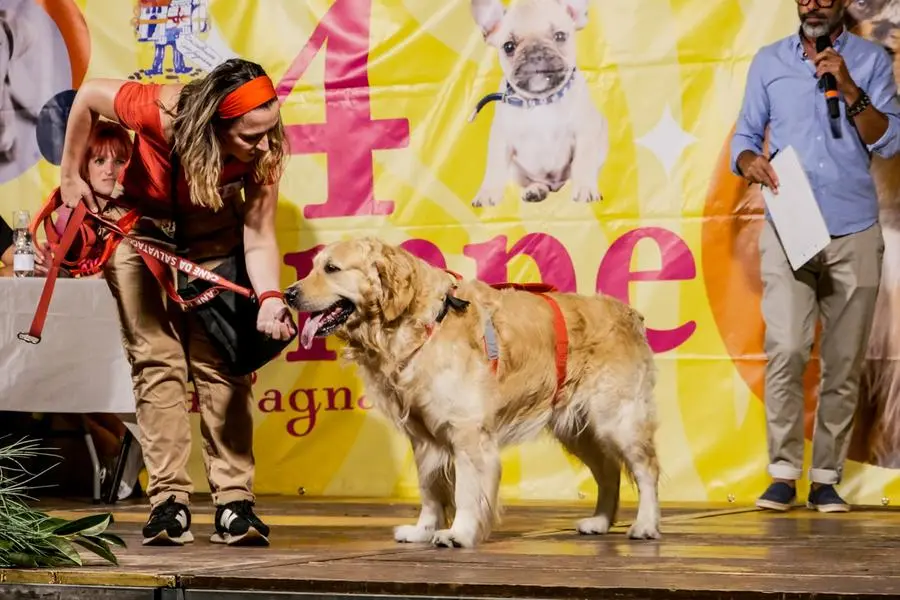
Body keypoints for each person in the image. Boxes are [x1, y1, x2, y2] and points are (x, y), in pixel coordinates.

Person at [58, 58, 296, 546]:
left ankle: (235, 502)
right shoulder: (157, 110)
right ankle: (169, 502)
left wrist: (270, 297)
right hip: (138, 229)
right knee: (156, 361)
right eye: (251, 137)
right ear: (213, 125)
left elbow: (258, 234)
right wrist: (69, 176)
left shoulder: (265, 154)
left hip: (212, 236)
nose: (266, 146)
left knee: (222, 367)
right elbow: (86, 97)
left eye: (271, 131)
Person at [731, 0, 900, 512]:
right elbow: (743, 137)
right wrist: (750, 161)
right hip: (790, 226)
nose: (814, 3)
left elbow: (888, 140)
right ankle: (783, 472)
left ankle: (826, 477)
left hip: (854, 228)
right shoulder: (768, 61)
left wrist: (849, 88)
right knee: (785, 347)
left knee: (844, 363)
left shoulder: (869, 59)